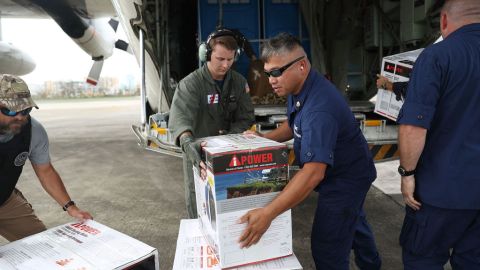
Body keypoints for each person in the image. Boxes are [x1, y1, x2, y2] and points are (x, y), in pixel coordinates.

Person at [238, 33, 381, 270]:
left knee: (327, 247)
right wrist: (264, 139)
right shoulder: (298, 88)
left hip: (346, 179)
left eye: (276, 72)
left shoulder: (319, 110)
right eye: (267, 73)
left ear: (301, 65)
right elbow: (293, 125)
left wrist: (268, 213)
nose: (271, 80)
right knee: (352, 219)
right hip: (344, 170)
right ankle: (372, 264)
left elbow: (313, 173)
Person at [396, 0, 480, 268]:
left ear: (444, 21)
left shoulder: (437, 56)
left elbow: (413, 125)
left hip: (439, 193)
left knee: (424, 259)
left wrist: (407, 174)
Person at [169, 28, 255, 218]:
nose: (225, 65)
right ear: (206, 55)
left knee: (232, 202)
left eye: (230, 60)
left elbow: (246, 116)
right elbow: (180, 118)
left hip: (231, 155)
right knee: (200, 203)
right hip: (199, 155)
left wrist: (230, 138)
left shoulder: (239, 83)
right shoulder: (191, 84)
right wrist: (187, 142)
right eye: (220, 59)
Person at [0, 74, 92, 242]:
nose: (20, 117)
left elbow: (46, 171)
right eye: (10, 110)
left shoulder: (33, 131)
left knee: (41, 244)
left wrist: (71, 207)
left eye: (25, 110)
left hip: (4, 200)